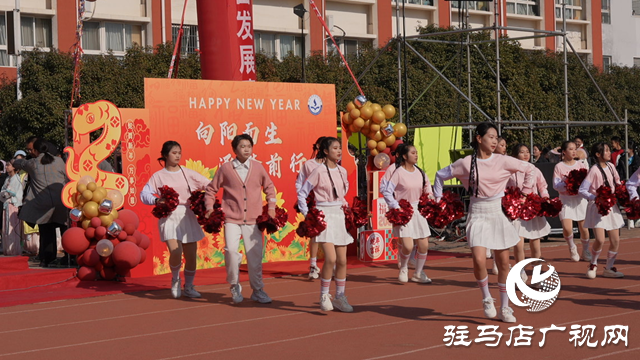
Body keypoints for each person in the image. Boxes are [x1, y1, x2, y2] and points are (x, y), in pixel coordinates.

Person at [434, 122, 535, 323]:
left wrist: (524, 194)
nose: (495, 141)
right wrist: (438, 201)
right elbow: (440, 175)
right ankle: (487, 298)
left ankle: (505, 308)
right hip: (477, 213)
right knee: (479, 259)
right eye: (491, 137)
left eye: (496, 138)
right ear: (479, 139)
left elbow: (530, 169)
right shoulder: (465, 163)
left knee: (504, 263)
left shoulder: (504, 161)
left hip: (497, 212)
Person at [204, 134, 276, 304]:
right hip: (232, 219)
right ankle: (234, 285)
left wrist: (271, 208)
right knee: (230, 251)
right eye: (242, 146)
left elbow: (270, 188)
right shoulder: (226, 169)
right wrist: (209, 208)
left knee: (254, 256)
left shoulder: (258, 168)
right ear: (235, 149)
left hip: (253, 221)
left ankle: (258, 290)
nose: (246, 149)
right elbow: (210, 190)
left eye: (249, 146)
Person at [140, 141, 210, 298]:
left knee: (191, 255)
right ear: (165, 155)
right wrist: (157, 200)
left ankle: (189, 286)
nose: (178, 155)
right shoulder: (158, 176)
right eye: (174, 152)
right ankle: (175, 279)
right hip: (170, 216)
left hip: (187, 215)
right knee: (175, 251)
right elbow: (144, 194)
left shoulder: (188, 173)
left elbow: (208, 184)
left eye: (179, 152)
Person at [297, 137, 354, 312]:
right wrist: (309, 215)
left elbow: (342, 194)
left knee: (343, 261)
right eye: (335, 148)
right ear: (326, 151)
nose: (338, 151)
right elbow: (302, 192)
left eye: (340, 148)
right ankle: (324, 295)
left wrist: (346, 206)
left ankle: (340, 297)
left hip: (338, 215)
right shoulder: (318, 171)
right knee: (331, 258)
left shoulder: (342, 171)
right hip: (324, 215)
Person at [380, 143, 433, 284]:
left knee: (424, 244)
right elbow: (386, 191)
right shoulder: (397, 172)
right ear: (404, 156)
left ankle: (418, 273)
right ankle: (403, 267)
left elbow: (427, 188)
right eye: (413, 153)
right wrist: (396, 206)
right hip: (403, 211)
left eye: (416, 152)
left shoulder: (420, 172)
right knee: (408, 246)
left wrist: (430, 200)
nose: (416, 155)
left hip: (418, 210)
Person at [13, 139, 68, 267]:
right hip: (61, 202)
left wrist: (15, 160)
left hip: (43, 205)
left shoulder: (33, 163)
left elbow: (18, 163)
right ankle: (69, 257)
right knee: (65, 231)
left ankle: (47, 259)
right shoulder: (59, 161)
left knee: (46, 232)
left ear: (36, 151)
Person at [579, 142, 624, 279]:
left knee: (615, 240)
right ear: (598, 154)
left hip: (611, 206)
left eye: (609, 150)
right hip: (598, 208)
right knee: (599, 239)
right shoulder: (594, 170)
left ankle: (609, 268)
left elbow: (617, 182)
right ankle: (593, 264)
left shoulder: (611, 166)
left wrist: (621, 191)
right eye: (606, 150)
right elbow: (582, 190)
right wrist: (596, 198)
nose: (609, 152)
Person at [507, 144, 550, 282]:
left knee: (535, 245)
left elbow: (542, 186)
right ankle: (520, 271)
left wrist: (545, 198)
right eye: (522, 152)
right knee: (518, 243)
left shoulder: (534, 169)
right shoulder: (510, 171)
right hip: (517, 210)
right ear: (515, 155)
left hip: (533, 210)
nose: (526, 154)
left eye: (527, 152)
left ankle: (537, 276)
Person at [553, 141, 591, 262]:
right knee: (567, 227)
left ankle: (585, 250)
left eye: (575, 149)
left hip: (580, 200)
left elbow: (588, 181)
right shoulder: (559, 166)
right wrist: (568, 185)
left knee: (584, 228)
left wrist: (579, 187)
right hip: (566, 200)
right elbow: (556, 184)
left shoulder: (581, 164)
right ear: (564, 152)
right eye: (570, 149)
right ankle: (572, 247)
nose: (574, 151)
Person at [295, 136, 326, 280]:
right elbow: (300, 182)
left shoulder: (334, 165)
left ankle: (330, 265)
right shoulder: (309, 164)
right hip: (314, 203)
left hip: (329, 203)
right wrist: (303, 202)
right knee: (314, 235)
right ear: (318, 147)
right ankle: (313, 266)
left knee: (331, 235)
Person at [1, 159, 23, 255]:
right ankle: (7, 249)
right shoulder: (7, 179)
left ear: (14, 167)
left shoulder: (17, 178)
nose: (6, 167)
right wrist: (5, 193)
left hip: (13, 206)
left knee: (12, 227)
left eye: (8, 165)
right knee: (6, 227)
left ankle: (13, 250)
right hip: (6, 205)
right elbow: (3, 190)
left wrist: (8, 193)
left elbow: (17, 193)